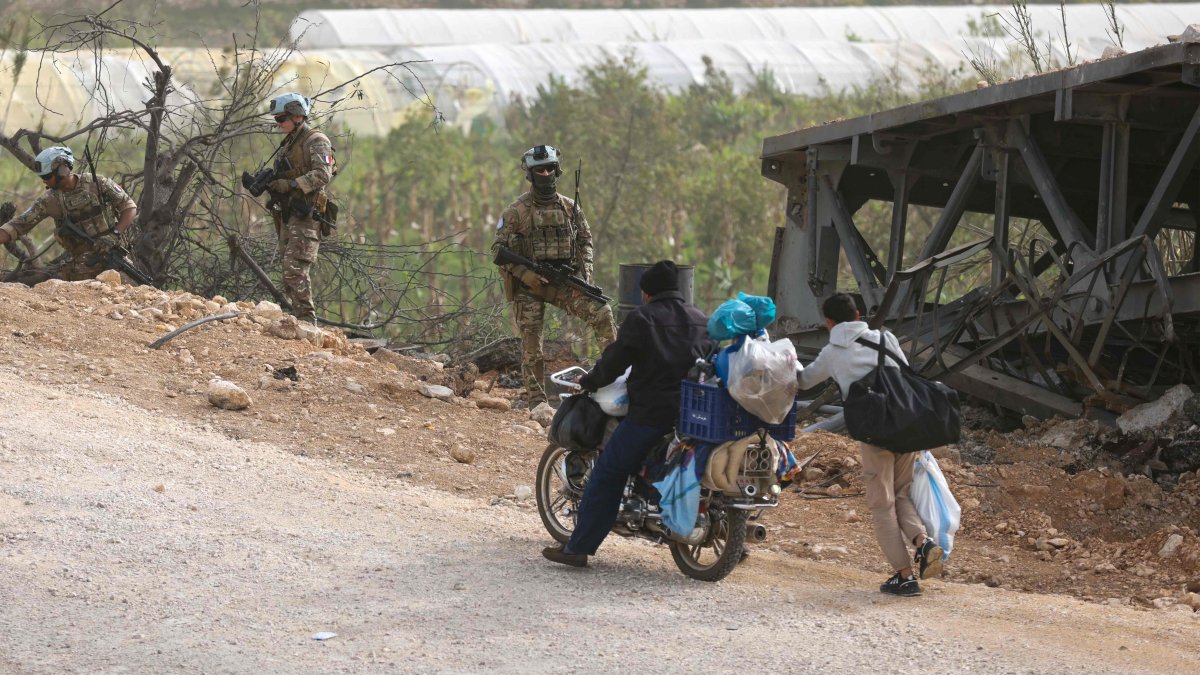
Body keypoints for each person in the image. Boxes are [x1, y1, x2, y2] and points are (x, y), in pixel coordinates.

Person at [543, 260, 711, 567]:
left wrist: (590, 380)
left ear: (645, 293)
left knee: (608, 472)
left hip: (651, 414)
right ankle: (735, 547)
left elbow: (615, 361)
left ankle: (578, 548)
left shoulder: (642, 318)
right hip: (693, 415)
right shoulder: (701, 318)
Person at [796, 292, 943, 596]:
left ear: (829, 322)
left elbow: (804, 381)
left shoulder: (832, 352)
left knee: (881, 504)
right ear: (859, 315)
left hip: (875, 433)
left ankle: (904, 576)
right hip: (906, 425)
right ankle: (923, 542)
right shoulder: (885, 339)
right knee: (901, 493)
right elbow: (906, 374)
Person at [492, 144, 616, 407]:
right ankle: (537, 403)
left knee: (602, 312)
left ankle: (612, 379)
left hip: (563, 282)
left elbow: (585, 242)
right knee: (532, 346)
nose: (546, 174)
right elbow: (498, 250)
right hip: (530, 286)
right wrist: (524, 274)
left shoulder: (570, 209)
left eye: (550, 169)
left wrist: (586, 276)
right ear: (531, 174)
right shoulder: (517, 211)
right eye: (540, 170)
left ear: (557, 171)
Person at [0, 146, 137, 285]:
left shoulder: (98, 183)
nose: (44, 181)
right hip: (82, 266)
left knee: (135, 288)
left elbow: (129, 207)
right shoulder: (49, 201)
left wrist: (114, 234)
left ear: (62, 170)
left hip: (114, 257)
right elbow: (18, 226)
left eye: (47, 176)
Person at [261, 92, 335, 322]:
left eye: (281, 119)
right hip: (289, 214)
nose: (279, 124)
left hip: (306, 215)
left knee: (295, 270)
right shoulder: (290, 143)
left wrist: (292, 184)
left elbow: (324, 174)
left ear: (297, 116)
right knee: (288, 271)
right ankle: (296, 320)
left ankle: (306, 322)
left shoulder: (316, 140)